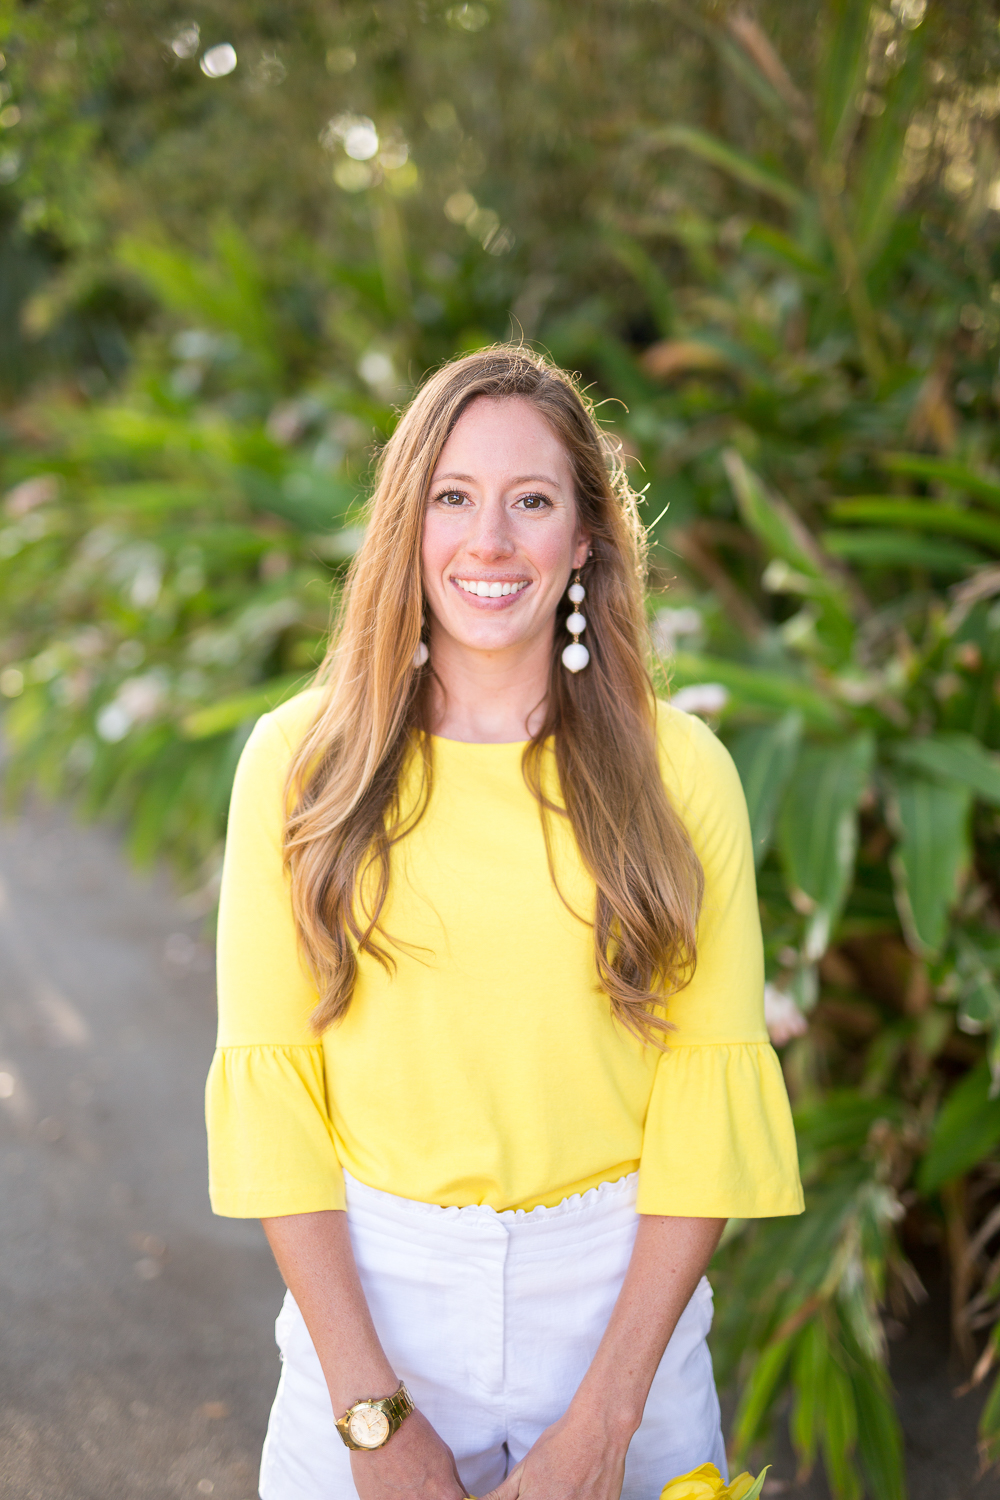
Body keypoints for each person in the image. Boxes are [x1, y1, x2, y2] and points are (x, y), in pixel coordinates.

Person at [205, 345, 804, 1500]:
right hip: (372, 1303)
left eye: (530, 501)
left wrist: (607, 1420)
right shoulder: (300, 763)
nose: (489, 541)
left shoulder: (682, 775)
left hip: (618, 1305)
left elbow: (701, 1102)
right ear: (408, 523)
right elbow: (272, 1089)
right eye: (453, 498)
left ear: (583, 538)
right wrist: (370, 1415)